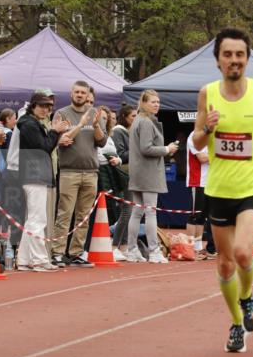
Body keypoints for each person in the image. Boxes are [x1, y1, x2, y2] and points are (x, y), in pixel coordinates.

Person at [192, 27, 253, 353]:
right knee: (223, 264)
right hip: (219, 187)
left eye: (240, 55)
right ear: (218, 60)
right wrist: (208, 128)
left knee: (243, 253)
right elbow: (196, 141)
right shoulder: (207, 94)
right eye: (228, 55)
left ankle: (248, 298)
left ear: (247, 59)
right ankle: (237, 322)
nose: (234, 60)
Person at [51, 81, 107, 267]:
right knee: (64, 214)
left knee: (83, 216)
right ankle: (58, 252)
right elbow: (60, 140)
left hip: (91, 171)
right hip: (69, 171)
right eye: (77, 92)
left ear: (88, 95)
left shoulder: (95, 113)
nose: (80, 95)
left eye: (83, 93)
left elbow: (102, 142)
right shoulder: (62, 114)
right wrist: (81, 125)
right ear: (71, 93)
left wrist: (97, 125)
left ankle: (76, 252)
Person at [16, 93, 71, 271]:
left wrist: (54, 132)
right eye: (42, 106)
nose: (46, 110)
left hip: (34, 174)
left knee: (33, 218)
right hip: (34, 175)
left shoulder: (30, 123)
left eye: (48, 107)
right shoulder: (30, 125)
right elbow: (45, 147)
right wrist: (55, 131)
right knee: (37, 219)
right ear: (33, 106)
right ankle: (39, 259)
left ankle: (24, 259)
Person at [125, 90, 178, 264]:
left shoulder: (138, 121)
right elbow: (146, 148)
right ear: (144, 103)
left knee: (138, 212)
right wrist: (166, 149)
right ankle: (154, 251)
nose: (156, 104)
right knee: (150, 212)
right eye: (153, 102)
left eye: (158, 101)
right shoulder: (146, 122)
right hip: (147, 173)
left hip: (138, 172)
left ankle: (132, 249)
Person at [111, 103, 136, 259]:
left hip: (132, 175)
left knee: (130, 211)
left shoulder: (130, 132)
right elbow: (121, 154)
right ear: (125, 117)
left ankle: (124, 246)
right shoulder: (118, 132)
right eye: (133, 116)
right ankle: (115, 246)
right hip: (123, 175)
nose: (136, 118)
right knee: (126, 211)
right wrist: (138, 150)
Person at [186, 128, 211, 261]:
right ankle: (190, 247)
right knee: (195, 214)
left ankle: (198, 245)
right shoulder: (195, 135)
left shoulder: (214, 136)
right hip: (197, 180)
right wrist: (220, 156)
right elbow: (202, 158)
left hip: (211, 181)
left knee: (203, 216)